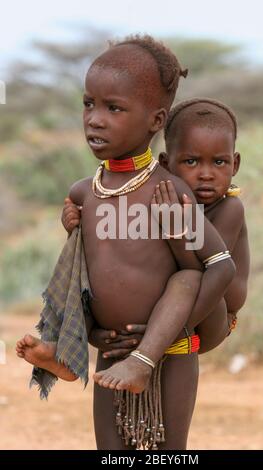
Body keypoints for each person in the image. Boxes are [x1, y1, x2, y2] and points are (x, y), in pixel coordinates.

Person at [16, 36, 236, 450]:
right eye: (88, 104)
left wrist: (166, 335)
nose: (95, 120)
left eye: (113, 108)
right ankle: (66, 348)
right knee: (111, 451)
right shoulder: (84, 192)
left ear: (156, 121)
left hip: (168, 354)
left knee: (167, 452)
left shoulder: (168, 192)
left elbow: (219, 265)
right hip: (112, 351)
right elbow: (98, 270)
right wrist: (97, 333)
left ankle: (133, 357)